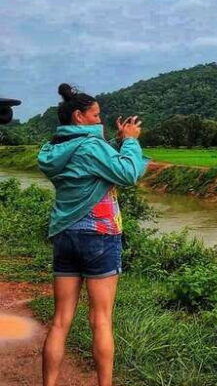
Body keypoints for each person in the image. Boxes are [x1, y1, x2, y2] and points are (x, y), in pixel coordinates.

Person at [37, 83, 150, 386]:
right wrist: (129, 142)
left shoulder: (54, 149)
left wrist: (115, 139)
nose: (101, 120)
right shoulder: (90, 146)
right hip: (99, 235)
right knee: (100, 320)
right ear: (79, 116)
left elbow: (92, 166)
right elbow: (127, 173)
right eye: (96, 115)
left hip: (65, 234)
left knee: (60, 320)